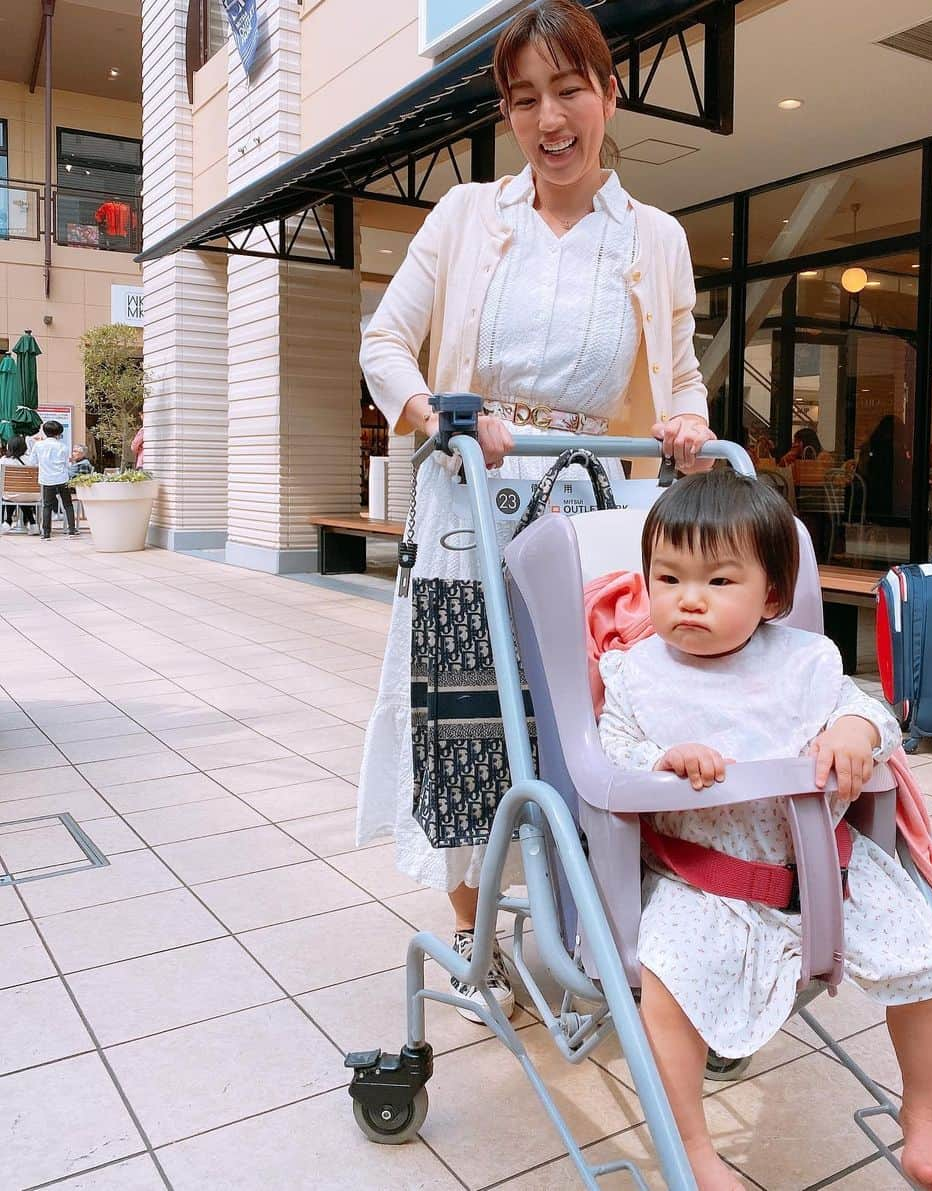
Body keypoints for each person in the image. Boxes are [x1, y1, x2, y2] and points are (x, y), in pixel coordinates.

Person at [355, 0, 715, 1021]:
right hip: (474, 499)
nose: (549, 118)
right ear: (508, 114)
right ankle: (480, 944)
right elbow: (386, 343)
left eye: (569, 90)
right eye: (524, 99)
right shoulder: (468, 217)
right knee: (472, 724)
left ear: (608, 94)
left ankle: (604, 923)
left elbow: (680, 378)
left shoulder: (657, 238)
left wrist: (685, 425)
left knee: (591, 721)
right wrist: (438, 412)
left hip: (597, 513)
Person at [598, 469, 932, 1191]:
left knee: (927, 966)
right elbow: (611, 750)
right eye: (667, 577)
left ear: (770, 595)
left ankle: (926, 1122)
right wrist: (662, 758)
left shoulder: (807, 660)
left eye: (717, 581)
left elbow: (876, 720)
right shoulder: (637, 673)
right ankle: (697, 1153)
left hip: (832, 871)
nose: (688, 599)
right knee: (664, 989)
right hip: (704, 882)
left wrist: (853, 729)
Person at [26, 421, 77, 540]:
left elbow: (32, 462)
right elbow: (66, 464)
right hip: (62, 478)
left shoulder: (38, 445)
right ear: (58, 433)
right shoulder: (63, 446)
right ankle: (71, 531)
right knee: (68, 504)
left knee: (47, 506)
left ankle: (46, 533)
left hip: (46, 479)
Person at [2, 435, 37, 533]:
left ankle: (7, 521)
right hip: (32, 494)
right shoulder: (31, 460)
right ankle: (33, 523)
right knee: (20, 492)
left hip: (10, 494)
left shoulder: (4, 460)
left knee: (13, 493)